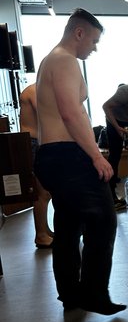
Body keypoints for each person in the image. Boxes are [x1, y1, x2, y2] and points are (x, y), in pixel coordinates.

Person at [33, 8, 125, 315]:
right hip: (67, 156)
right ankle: (94, 294)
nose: (94, 48)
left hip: (52, 156)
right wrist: (96, 156)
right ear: (79, 33)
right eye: (94, 41)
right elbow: (71, 113)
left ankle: (71, 294)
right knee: (104, 220)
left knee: (69, 224)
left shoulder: (50, 60)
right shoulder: (65, 60)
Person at [19, 83, 54, 249]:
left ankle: (44, 230)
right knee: (42, 193)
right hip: (32, 143)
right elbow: (47, 114)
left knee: (46, 192)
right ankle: (41, 235)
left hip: (39, 143)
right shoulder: (34, 90)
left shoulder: (41, 90)